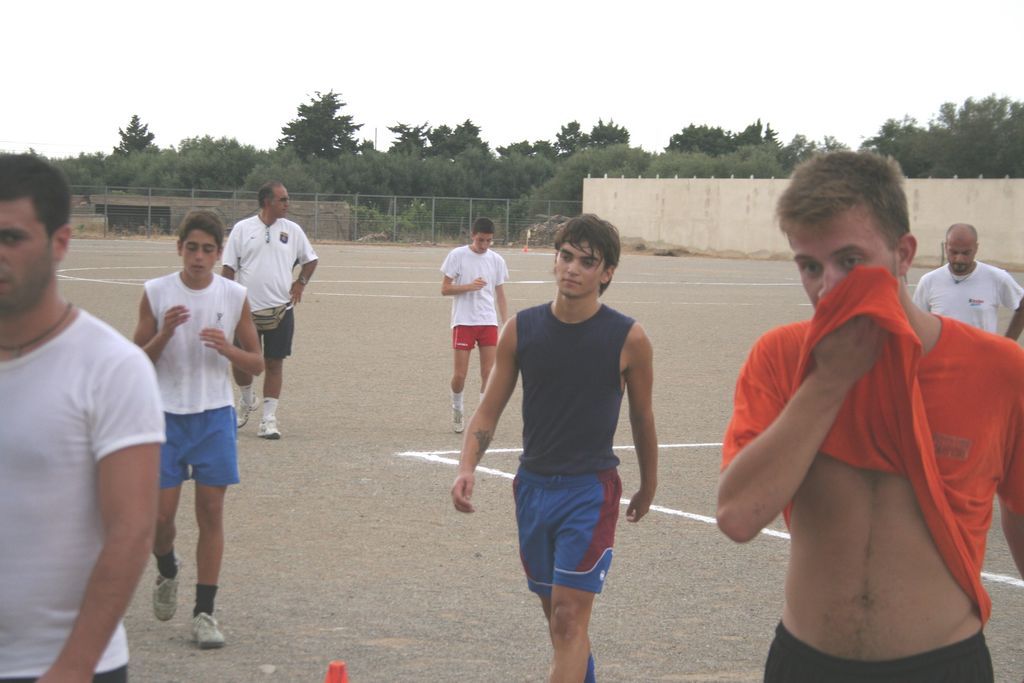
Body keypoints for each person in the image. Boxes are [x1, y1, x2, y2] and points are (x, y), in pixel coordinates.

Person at [717, 151, 1024, 682]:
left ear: (904, 255)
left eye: (850, 260)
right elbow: (738, 516)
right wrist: (829, 381)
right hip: (806, 663)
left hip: (944, 664)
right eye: (810, 266)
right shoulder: (782, 357)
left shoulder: (999, 370)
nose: (828, 286)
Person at [451, 214, 659, 683]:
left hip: (590, 492)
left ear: (606, 273)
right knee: (559, 622)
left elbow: (642, 418)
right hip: (532, 489)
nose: (572, 268)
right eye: (566, 256)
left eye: (587, 262)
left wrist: (649, 484)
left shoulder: (629, 339)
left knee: (568, 619)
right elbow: (488, 411)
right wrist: (466, 466)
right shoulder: (521, 330)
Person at [0, 154, 164, 682]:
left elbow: (132, 529)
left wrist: (72, 668)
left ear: (61, 242)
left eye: (11, 237)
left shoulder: (112, 368)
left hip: (62, 667)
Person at [133, 211, 264, 649]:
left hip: (213, 416)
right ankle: (167, 568)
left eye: (208, 249)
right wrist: (164, 334)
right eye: (192, 248)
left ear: (219, 253)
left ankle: (204, 612)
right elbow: (135, 363)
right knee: (159, 519)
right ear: (179, 248)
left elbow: (256, 363)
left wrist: (227, 349)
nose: (199, 257)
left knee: (210, 513)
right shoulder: (156, 292)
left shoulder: (234, 294)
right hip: (164, 417)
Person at [222, 181, 318, 439]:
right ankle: (246, 399)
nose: (288, 204)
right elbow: (228, 268)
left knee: (274, 363)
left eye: (287, 199)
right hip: (245, 311)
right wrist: (226, 301)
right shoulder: (242, 229)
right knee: (241, 362)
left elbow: (311, 260)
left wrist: (300, 283)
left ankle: (268, 419)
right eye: (282, 199)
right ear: (267, 202)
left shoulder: (293, 230)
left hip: (281, 310)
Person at [440, 216, 509, 433]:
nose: (484, 245)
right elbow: (445, 289)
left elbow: (500, 294)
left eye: (489, 240)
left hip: (488, 322)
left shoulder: (497, 260)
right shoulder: (457, 255)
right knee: (460, 375)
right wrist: (469, 286)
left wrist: (506, 322)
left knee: (489, 373)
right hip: (464, 321)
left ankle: (482, 419)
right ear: (472, 236)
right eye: (481, 240)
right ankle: (457, 408)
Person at [912, 222, 1024, 338]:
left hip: (982, 350)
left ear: (976, 248)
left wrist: (1008, 343)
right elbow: (915, 322)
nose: (959, 259)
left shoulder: (997, 278)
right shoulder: (928, 282)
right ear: (946, 247)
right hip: (943, 350)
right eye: (954, 252)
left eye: (966, 253)